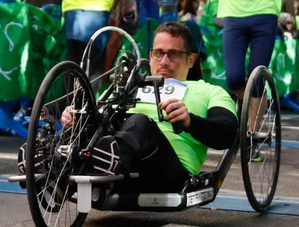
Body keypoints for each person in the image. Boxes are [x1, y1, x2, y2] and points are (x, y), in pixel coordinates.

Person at [71, 21, 238, 186]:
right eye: (158, 53)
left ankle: (105, 173)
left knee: (140, 122)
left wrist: (190, 121)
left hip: (169, 170)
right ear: (150, 56)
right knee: (85, 123)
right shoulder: (130, 86)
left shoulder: (210, 91)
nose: (164, 61)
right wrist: (76, 119)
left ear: (190, 59)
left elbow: (227, 133)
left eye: (173, 54)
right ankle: (63, 174)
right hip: (120, 155)